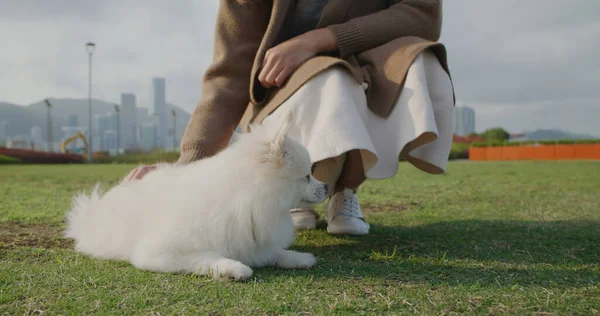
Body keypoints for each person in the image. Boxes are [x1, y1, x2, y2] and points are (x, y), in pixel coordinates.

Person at [125, 0, 455, 236]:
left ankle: (346, 191)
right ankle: (299, 191)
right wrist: (187, 167)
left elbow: (420, 14)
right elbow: (230, 74)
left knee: (422, 63)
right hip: (285, 93)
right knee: (331, 78)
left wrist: (321, 39)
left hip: (372, 70)